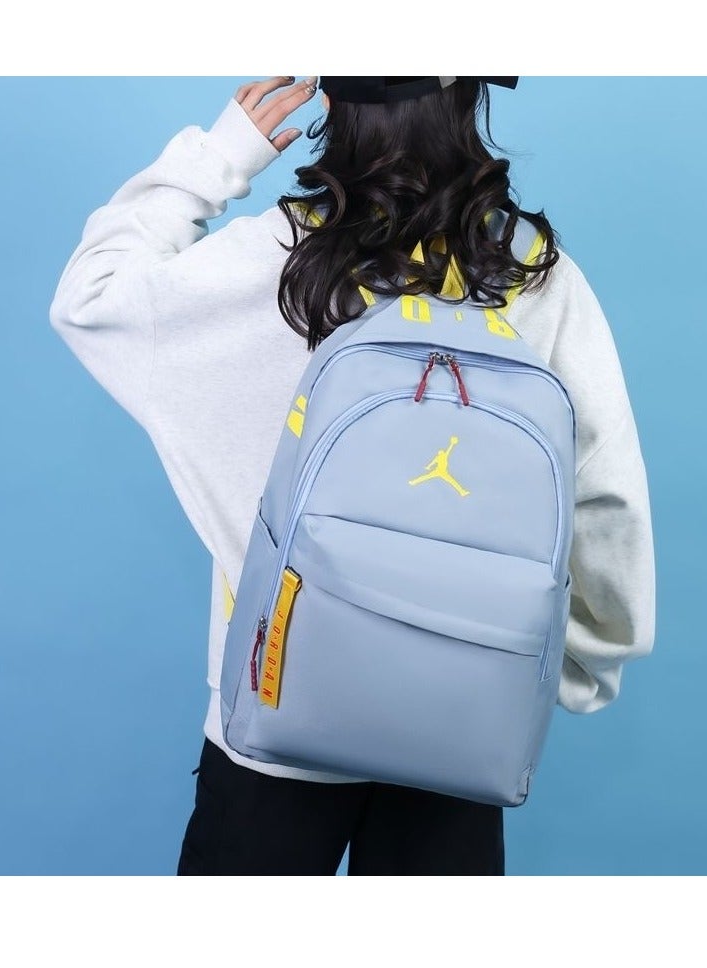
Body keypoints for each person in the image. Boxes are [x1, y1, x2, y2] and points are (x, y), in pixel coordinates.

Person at [48, 75, 656, 876]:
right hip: (462, 716)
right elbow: (604, 493)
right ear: (470, 98)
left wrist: (218, 158)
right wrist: (569, 666)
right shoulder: (526, 270)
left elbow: (90, 299)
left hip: (274, 702)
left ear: (329, 102)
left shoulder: (272, 260)